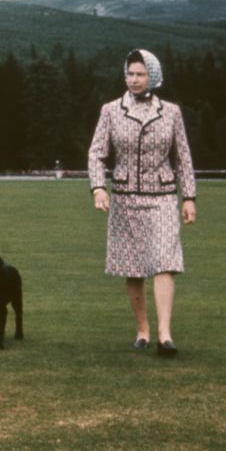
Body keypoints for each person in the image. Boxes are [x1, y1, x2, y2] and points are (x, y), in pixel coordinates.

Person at [88, 49, 196, 357]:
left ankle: (165, 334)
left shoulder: (172, 112)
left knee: (165, 261)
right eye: (130, 74)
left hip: (162, 197)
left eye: (140, 74)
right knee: (133, 267)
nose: (134, 80)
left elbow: (183, 157)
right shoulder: (110, 110)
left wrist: (189, 197)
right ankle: (143, 330)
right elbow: (96, 153)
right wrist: (98, 188)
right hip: (124, 199)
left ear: (154, 76)